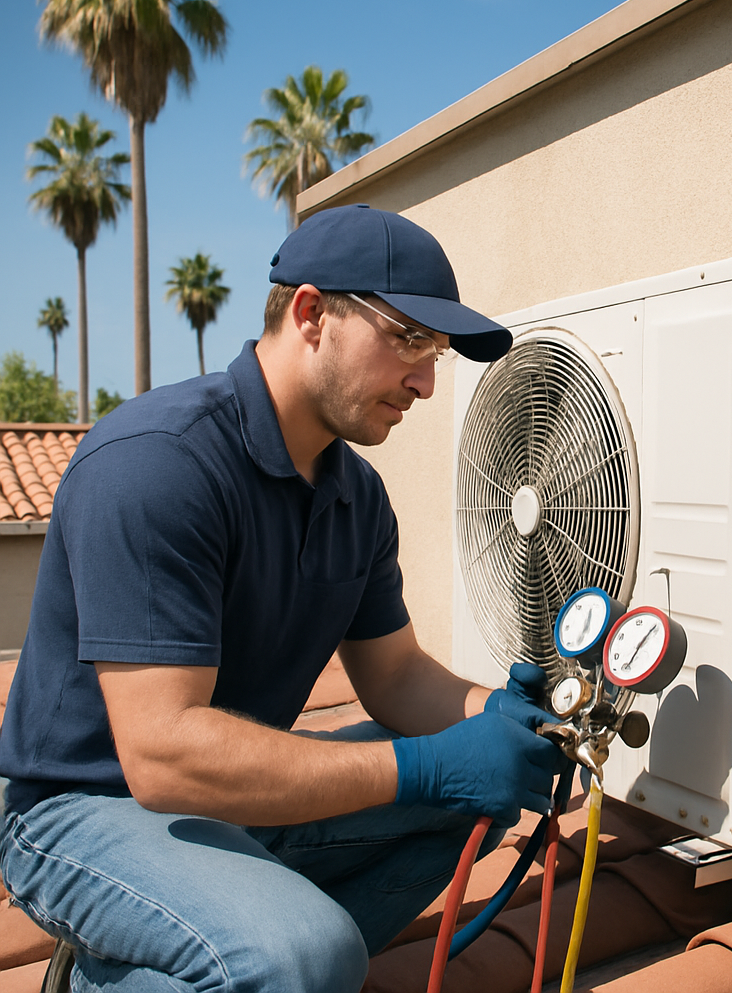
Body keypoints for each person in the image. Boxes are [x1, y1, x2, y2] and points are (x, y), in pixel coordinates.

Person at [0, 204, 564, 993]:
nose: (428, 382)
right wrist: (429, 766)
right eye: (409, 339)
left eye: (436, 353)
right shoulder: (158, 463)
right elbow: (161, 755)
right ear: (310, 313)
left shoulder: (356, 498)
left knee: (477, 802)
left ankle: (227, 942)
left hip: (228, 796)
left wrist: (506, 721)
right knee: (308, 952)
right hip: (84, 809)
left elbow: (396, 677)